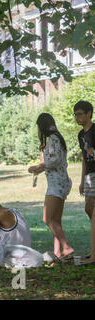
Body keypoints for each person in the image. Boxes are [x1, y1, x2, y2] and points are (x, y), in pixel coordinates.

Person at [28, 113, 74, 260]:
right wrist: (38, 169)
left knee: (47, 219)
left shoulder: (53, 139)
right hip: (62, 182)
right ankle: (57, 253)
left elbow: (55, 161)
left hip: (56, 185)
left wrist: (39, 165)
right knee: (56, 221)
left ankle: (67, 248)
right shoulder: (57, 138)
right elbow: (54, 164)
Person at [73, 100, 95, 264]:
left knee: (93, 210)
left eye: (79, 114)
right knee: (89, 210)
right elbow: (83, 159)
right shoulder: (81, 135)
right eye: (75, 114)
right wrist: (81, 180)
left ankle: (93, 256)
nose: (77, 117)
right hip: (88, 176)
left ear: (89, 113)